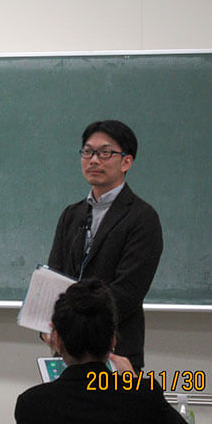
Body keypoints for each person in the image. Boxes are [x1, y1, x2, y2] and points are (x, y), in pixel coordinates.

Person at [15, 279, 196, 424]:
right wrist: (131, 380)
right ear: (113, 340)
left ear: (58, 341)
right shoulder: (142, 395)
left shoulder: (31, 404)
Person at [46, 120, 162, 371]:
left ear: (126, 162)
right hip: (67, 353)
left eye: (105, 153)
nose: (94, 160)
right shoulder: (71, 215)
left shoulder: (142, 217)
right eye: (88, 152)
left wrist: (76, 329)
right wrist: (49, 326)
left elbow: (128, 292)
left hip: (115, 352)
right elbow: (54, 278)